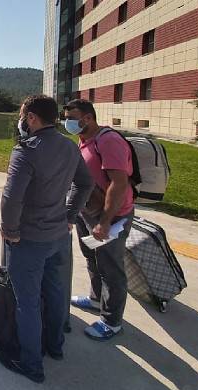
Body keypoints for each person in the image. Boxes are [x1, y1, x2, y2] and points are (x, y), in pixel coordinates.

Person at [0, 95, 93, 383]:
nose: (20, 120)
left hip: (29, 239)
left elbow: (11, 198)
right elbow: (85, 183)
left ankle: (31, 364)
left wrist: (10, 230)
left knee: (26, 303)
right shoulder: (69, 145)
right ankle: (55, 347)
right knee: (54, 293)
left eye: (22, 115)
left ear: (31, 118)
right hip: (58, 237)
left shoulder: (26, 151)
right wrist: (69, 216)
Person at [64, 99, 135, 341]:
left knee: (110, 269)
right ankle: (96, 299)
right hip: (87, 211)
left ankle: (112, 321)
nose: (68, 122)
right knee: (91, 258)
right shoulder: (84, 140)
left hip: (110, 215)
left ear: (88, 118)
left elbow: (119, 183)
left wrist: (105, 222)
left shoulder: (109, 141)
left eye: (72, 117)